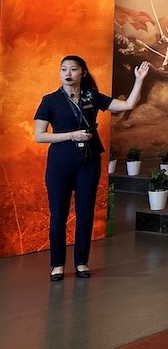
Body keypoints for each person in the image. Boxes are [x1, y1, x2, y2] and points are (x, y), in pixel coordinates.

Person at [34, 55, 150, 281]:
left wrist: (138, 80)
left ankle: (81, 262)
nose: (68, 74)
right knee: (58, 214)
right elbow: (39, 136)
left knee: (85, 213)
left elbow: (127, 105)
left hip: (88, 161)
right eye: (64, 69)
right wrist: (71, 135)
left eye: (73, 69)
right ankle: (57, 264)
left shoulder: (92, 96)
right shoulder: (50, 100)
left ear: (83, 73)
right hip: (60, 163)